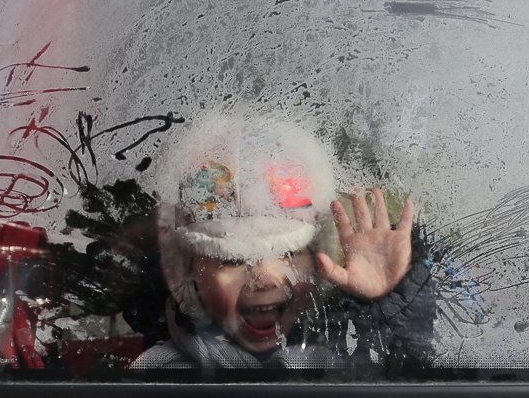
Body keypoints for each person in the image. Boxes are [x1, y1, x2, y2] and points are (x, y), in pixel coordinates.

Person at [130, 113, 435, 370]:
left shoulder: (346, 357)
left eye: (289, 252)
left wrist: (384, 303)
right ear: (189, 276)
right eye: (234, 260)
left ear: (319, 262)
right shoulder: (158, 376)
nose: (265, 278)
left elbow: (413, 374)